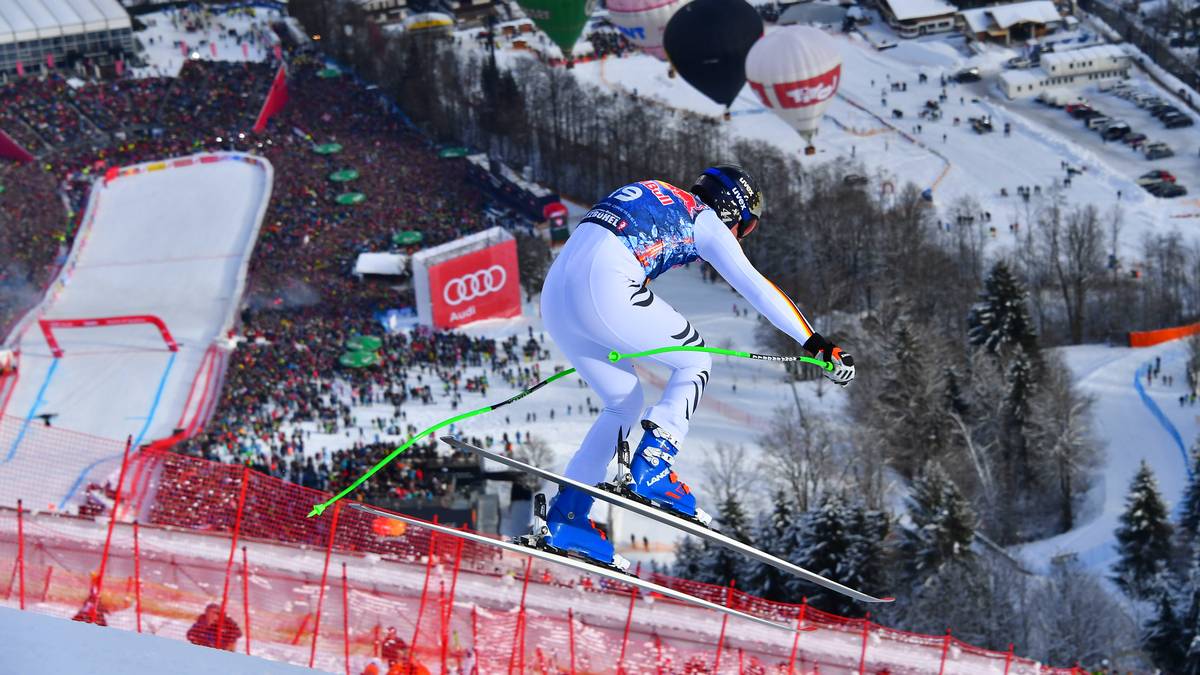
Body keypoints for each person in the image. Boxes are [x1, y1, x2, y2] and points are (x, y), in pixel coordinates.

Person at [537, 165, 855, 566]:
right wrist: (814, 342)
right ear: (733, 210)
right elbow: (755, 285)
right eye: (745, 226)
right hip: (604, 286)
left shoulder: (652, 187)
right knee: (695, 360)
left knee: (623, 403)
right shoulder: (704, 219)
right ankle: (653, 465)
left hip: (555, 296)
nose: (740, 236)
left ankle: (569, 517)